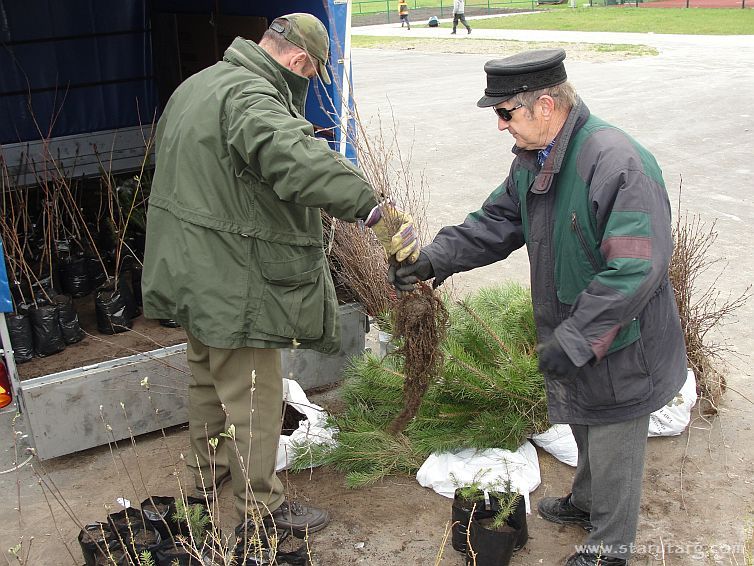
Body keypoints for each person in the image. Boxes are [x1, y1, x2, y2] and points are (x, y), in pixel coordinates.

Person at [391, 49, 686, 566]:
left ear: (545, 106)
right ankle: (586, 502)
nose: (500, 126)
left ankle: (609, 549)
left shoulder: (618, 164)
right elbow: (494, 224)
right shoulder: (536, 162)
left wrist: (577, 338)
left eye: (505, 113)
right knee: (585, 419)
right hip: (579, 329)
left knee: (615, 437)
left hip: (622, 340)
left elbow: (636, 269)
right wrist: (431, 261)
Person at [142, 12, 419, 537]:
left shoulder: (200, 84)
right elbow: (296, 156)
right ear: (297, 59)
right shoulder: (251, 99)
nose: (309, 84)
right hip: (230, 277)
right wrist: (373, 210)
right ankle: (259, 511)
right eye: (311, 74)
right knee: (255, 397)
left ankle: (203, 484)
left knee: (208, 383)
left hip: (189, 271)